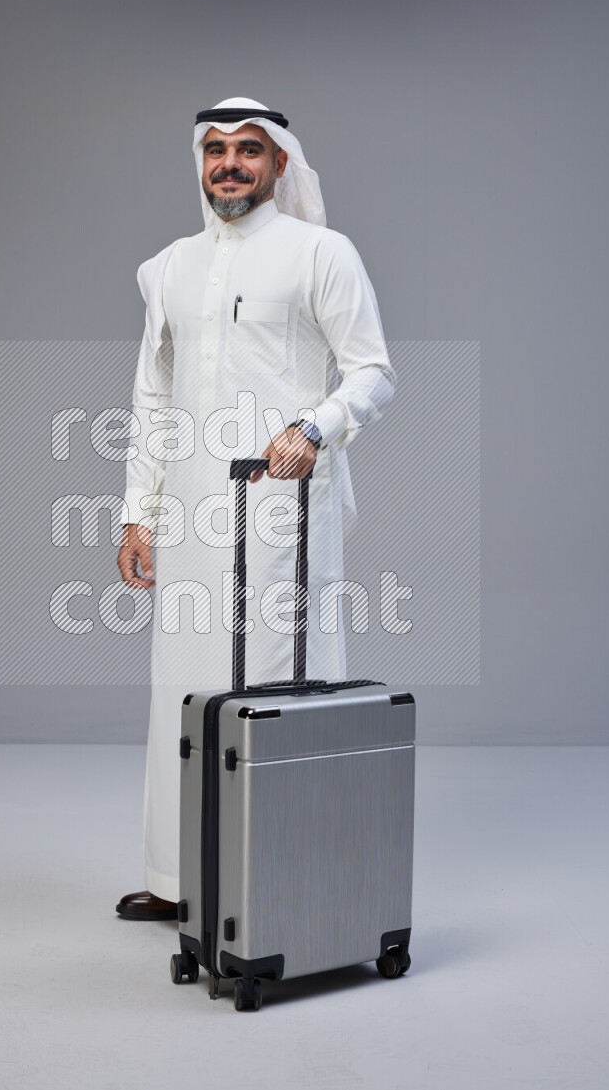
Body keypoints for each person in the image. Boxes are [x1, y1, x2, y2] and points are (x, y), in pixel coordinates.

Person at [115, 97, 396, 920]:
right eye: (215, 150)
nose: (228, 164)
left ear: (278, 162)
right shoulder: (169, 266)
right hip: (191, 513)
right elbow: (151, 399)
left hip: (281, 510)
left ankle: (276, 877)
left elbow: (374, 373)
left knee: (275, 684)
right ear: (199, 164)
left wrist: (318, 427)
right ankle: (180, 880)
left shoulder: (321, 253)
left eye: (247, 149)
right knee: (183, 690)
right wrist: (138, 514)